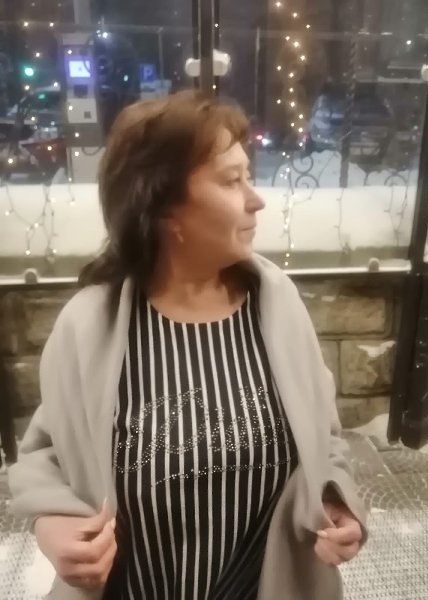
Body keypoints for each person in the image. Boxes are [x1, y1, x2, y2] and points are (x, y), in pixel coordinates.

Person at [9, 90, 366, 600]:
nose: (256, 199)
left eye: (248, 175)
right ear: (163, 208)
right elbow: (44, 450)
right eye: (231, 180)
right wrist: (51, 523)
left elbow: (324, 440)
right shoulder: (88, 328)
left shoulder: (279, 308)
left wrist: (333, 500)